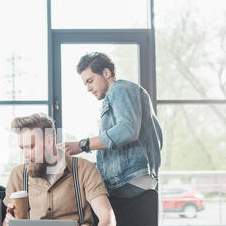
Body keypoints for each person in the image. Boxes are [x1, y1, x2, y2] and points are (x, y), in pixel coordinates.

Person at [2, 113, 116, 226]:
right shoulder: (18, 174)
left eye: (30, 146)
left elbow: (108, 218)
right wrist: (9, 223)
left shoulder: (83, 169)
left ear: (49, 140)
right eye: (22, 148)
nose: (26, 154)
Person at [59, 52, 163, 198]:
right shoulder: (119, 96)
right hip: (130, 178)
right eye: (85, 84)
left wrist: (82, 145)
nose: (88, 88)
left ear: (106, 72)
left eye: (90, 80)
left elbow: (127, 130)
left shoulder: (119, 88)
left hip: (130, 179)